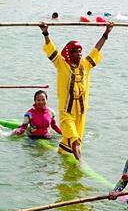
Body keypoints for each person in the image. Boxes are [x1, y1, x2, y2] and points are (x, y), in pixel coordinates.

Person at [38, 20, 113, 160]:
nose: (79, 54)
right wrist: (45, 32)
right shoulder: (62, 65)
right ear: (69, 54)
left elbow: (96, 49)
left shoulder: (85, 65)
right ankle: (81, 164)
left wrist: (106, 32)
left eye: (80, 51)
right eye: (75, 52)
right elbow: (52, 50)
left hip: (81, 111)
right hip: (67, 112)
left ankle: (63, 156)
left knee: (73, 140)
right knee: (74, 139)